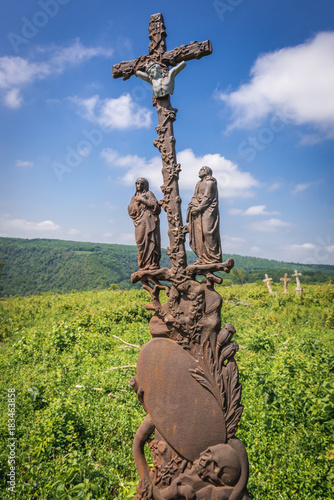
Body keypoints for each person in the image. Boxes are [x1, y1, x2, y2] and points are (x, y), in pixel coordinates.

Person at [186, 167, 222, 265]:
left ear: (207, 172)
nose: (199, 171)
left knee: (207, 232)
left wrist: (199, 208)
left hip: (208, 210)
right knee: (199, 233)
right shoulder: (198, 184)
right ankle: (203, 257)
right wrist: (193, 205)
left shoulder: (210, 182)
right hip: (199, 210)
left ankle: (213, 256)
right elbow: (194, 197)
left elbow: (208, 198)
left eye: (202, 169)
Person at [128, 178, 161, 270]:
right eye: (137, 183)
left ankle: (152, 263)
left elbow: (156, 207)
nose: (138, 185)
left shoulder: (149, 194)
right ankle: (143, 263)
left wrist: (143, 200)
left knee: (150, 239)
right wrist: (135, 205)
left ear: (144, 185)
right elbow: (130, 209)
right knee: (140, 241)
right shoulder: (134, 196)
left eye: (140, 183)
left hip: (148, 220)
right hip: (139, 221)